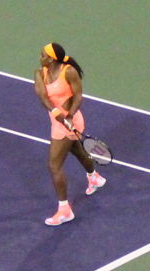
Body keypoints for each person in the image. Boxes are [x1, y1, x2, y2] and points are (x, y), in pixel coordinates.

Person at [34, 43, 106, 226]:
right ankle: (94, 177)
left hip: (71, 122)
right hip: (58, 121)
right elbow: (43, 96)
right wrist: (58, 114)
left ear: (51, 58)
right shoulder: (40, 73)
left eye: (43, 54)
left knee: (54, 165)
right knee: (77, 150)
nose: (40, 55)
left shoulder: (69, 72)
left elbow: (78, 96)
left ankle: (65, 210)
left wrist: (70, 116)